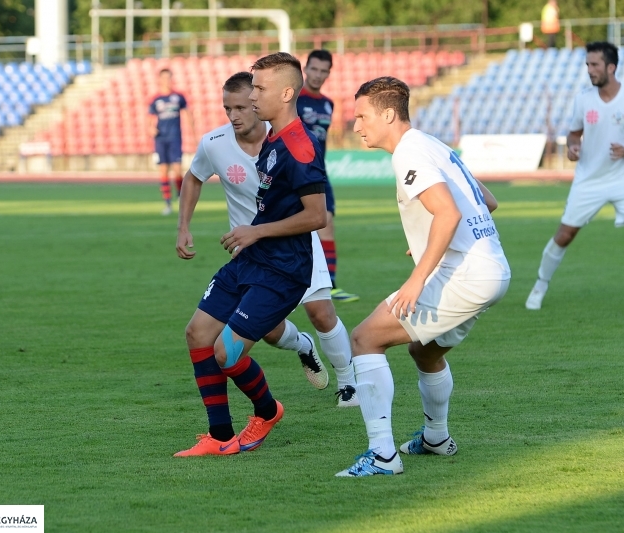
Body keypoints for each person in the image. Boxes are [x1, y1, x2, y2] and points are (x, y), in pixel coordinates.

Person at [336, 77, 511, 477]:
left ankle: (382, 456)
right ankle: (436, 437)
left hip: (466, 274)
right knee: (425, 351)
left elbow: (447, 213)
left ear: (388, 114)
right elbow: (488, 200)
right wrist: (429, 240)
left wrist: (417, 279)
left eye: (362, 116)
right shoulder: (434, 144)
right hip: (493, 270)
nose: (356, 125)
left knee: (364, 338)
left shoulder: (408, 153)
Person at [173, 53, 328, 457]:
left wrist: (255, 230)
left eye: (258, 89)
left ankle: (268, 411)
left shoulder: (299, 146)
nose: (253, 97)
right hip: (251, 258)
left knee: (227, 351)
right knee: (198, 334)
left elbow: (316, 215)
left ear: (286, 92)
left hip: (283, 269)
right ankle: (220, 437)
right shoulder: (274, 139)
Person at [176, 71, 358, 407]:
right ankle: (302, 345)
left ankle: (348, 383)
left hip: (293, 244)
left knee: (320, 311)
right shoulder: (214, 144)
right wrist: (183, 225)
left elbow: (313, 210)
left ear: (258, 104)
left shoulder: (286, 143)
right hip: (249, 254)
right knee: (269, 330)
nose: (234, 115)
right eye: (227, 108)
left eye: (242, 106)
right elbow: (193, 177)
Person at [525, 42, 624, 312]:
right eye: (587, 65)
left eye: (595, 65)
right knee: (565, 235)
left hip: (623, 178)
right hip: (588, 179)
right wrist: (574, 147)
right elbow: (574, 134)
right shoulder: (584, 99)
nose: (589, 70)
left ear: (611, 67)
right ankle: (539, 287)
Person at [297, 49, 359, 303]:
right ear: (305, 68)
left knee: (327, 225)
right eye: (314, 69)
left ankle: (330, 286)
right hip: (296, 174)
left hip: (319, 174)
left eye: (324, 71)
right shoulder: (293, 100)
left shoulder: (327, 103)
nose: (318, 75)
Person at [149, 68, 195, 216]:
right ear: (159, 79)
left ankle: (180, 198)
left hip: (175, 137)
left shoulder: (178, 97)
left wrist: (193, 135)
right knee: (163, 171)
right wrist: (151, 129)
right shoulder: (155, 99)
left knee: (177, 169)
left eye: (169, 78)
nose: (166, 81)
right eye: (164, 78)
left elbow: (188, 115)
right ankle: (167, 203)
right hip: (161, 139)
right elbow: (149, 120)